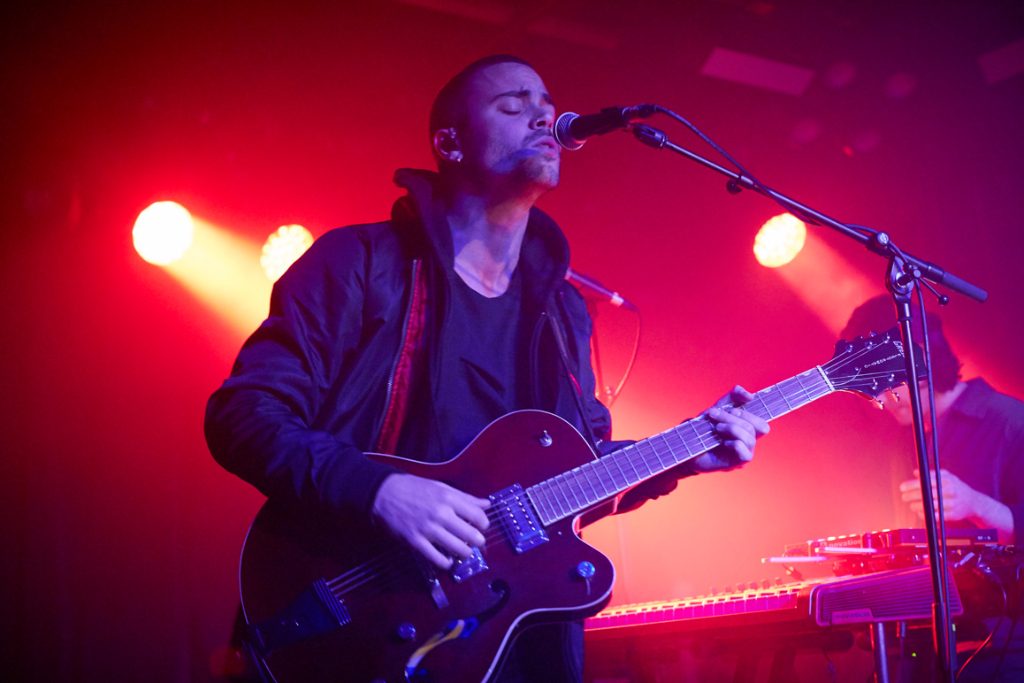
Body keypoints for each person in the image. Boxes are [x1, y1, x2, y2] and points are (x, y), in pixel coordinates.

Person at [205, 54, 769, 682]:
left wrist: (683, 455)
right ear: (450, 143)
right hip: (358, 616)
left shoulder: (561, 309)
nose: (544, 117)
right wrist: (380, 491)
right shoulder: (359, 263)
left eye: (546, 104)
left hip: (507, 642)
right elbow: (242, 414)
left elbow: (576, 480)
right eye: (512, 105)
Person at [842, 294, 1024, 681]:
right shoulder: (904, 440)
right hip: (926, 647)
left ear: (921, 359)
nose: (878, 399)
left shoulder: (1010, 421)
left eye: (884, 382)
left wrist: (977, 505)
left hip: (1003, 651)